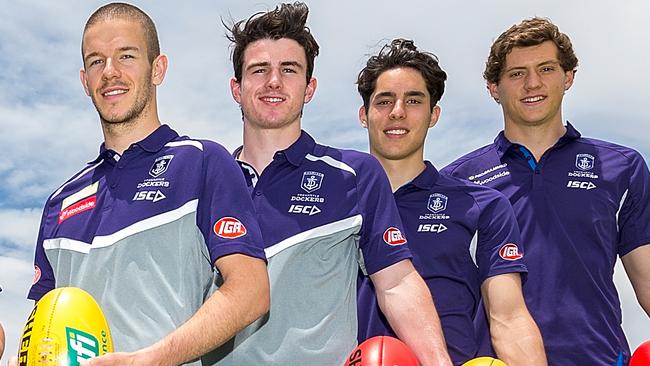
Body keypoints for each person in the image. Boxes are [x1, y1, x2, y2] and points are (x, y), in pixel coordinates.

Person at [24, 3, 269, 365]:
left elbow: (251, 292)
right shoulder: (60, 201)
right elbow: (40, 326)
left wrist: (153, 359)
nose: (110, 72)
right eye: (96, 61)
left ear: (158, 68)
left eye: (126, 56)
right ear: (84, 80)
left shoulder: (203, 162)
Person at [212, 3, 452, 365]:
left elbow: (397, 283)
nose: (273, 81)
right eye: (259, 70)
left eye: (289, 70)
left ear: (309, 88)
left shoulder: (354, 175)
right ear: (236, 88)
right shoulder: (208, 183)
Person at [442, 17, 650, 365]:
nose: (532, 83)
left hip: (598, 358)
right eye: (517, 73)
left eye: (546, 68)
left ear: (567, 77)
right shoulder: (457, 182)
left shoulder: (622, 167)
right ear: (494, 87)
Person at [355, 38, 546, 366]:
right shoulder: (333, 203)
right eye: (384, 101)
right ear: (364, 114)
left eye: (413, 101)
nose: (398, 112)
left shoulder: (482, 206)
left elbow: (509, 318)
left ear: (433, 114)